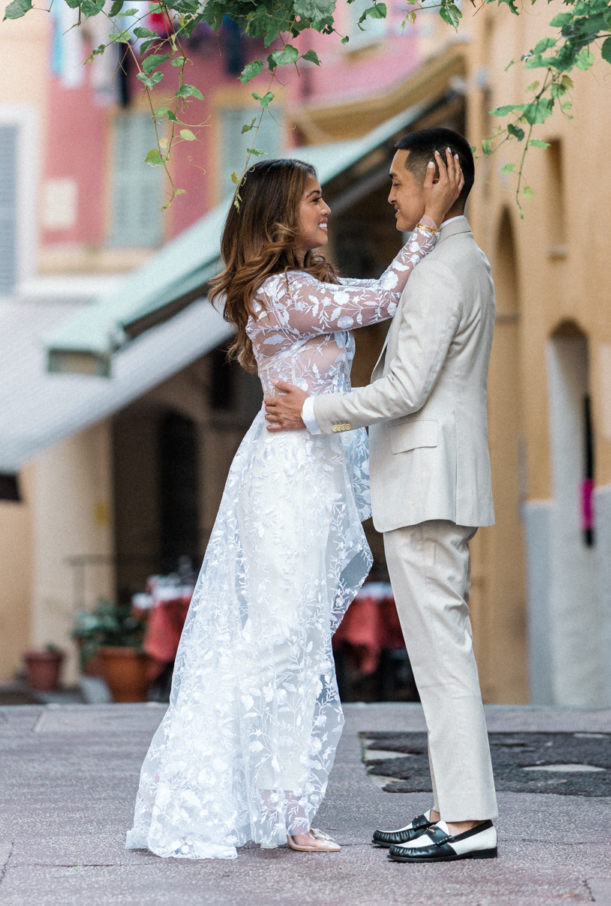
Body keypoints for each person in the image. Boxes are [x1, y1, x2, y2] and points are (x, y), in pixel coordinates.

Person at [125, 148, 464, 860]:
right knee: (277, 640)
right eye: (313, 199)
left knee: (300, 644)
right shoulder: (280, 293)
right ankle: (194, 794)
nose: (326, 209)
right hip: (286, 478)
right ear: (280, 216)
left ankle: (286, 813)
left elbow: (367, 295)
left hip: (310, 471)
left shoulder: (300, 287)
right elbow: (379, 300)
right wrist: (427, 227)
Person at [264, 127, 498, 864]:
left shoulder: (439, 270)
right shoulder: (465, 259)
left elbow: (403, 389)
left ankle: (466, 821)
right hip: (435, 484)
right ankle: (449, 806)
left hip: (427, 488)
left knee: (442, 661)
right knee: (438, 658)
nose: (390, 195)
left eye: (399, 182)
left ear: (436, 180)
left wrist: (311, 411)